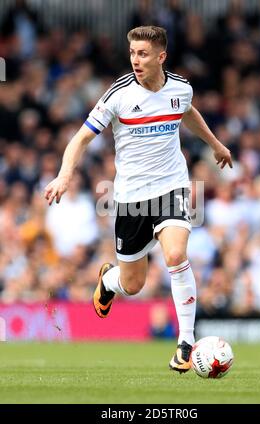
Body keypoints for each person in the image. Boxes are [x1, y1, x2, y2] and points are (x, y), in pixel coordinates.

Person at [44, 26, 232, 373]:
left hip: (171, 187)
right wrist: (64, 175)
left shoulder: (180, 88)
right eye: (132, 53)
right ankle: (109, 281)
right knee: (133, 284)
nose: (135, 60)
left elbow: (187, 111)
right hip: (131, 199)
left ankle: (186, 342)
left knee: (176, 255)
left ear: (161, 56)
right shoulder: (118, 95)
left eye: (143, 54)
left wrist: (215, 144)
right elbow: (80, 139)